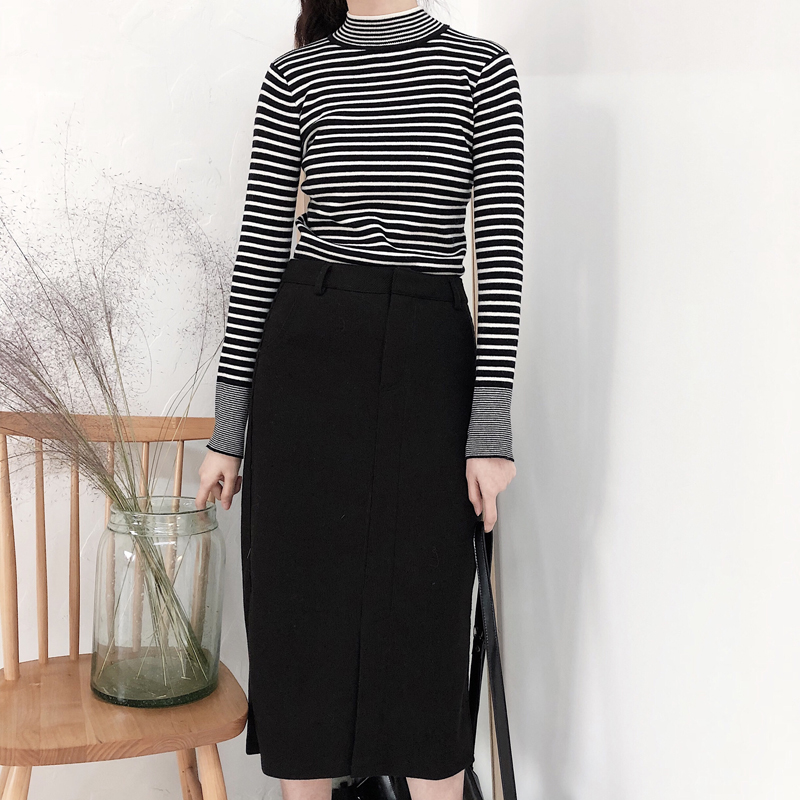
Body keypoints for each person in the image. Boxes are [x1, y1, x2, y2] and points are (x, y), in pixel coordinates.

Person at [196, 2, 524, 798]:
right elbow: (261, 247)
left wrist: (490, 430)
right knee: (301, 620)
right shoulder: (295, 74)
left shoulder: (483, 68)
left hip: (429, 359)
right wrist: (229, 430)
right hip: (307, 359)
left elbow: (500, 248)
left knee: (426, 623)